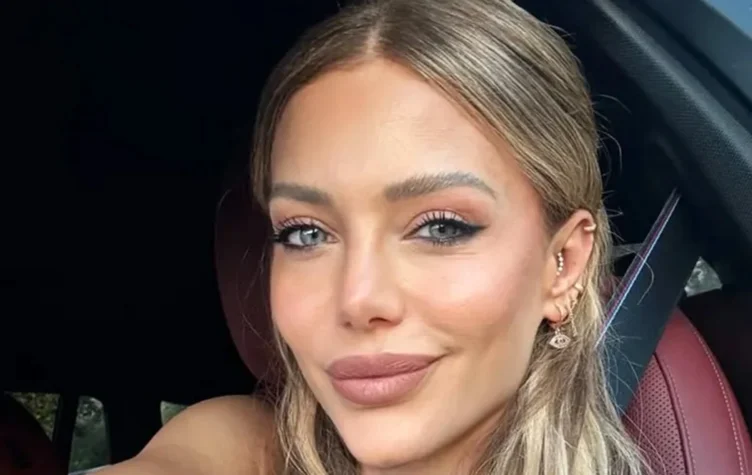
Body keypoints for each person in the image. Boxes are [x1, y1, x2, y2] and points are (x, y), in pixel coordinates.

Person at [101, 0, 648, 473]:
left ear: (563, 263)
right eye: (305, 234)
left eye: (441, 227)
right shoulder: (246, 446)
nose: (358, 300)